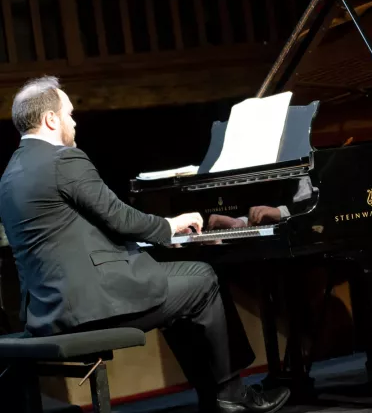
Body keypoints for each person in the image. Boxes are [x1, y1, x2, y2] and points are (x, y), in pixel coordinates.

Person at [0, 76, 289, 413]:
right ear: (51, 119)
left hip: (47, 312)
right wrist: (169, 226)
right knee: (204, 279)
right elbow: (118, 217)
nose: (74, 122)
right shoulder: (63, 160)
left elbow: (78, 231)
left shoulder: (11, 174)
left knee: (178, 290)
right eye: (69, 114)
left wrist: (153, 237)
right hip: (89, 306)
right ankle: (231, 393)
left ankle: (214, 396)